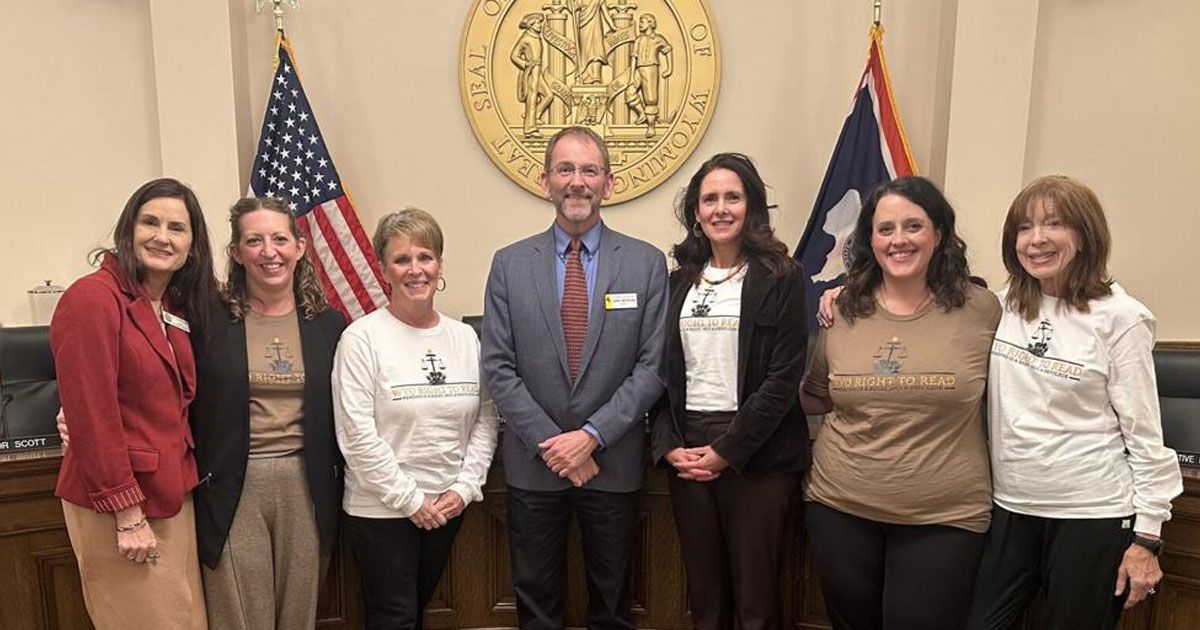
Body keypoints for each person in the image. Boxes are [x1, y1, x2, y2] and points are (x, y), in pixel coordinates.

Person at [964, 176, 1183, 629]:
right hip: (1010, 508)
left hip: (1091, 515)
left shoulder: (1121, 318)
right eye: (1024, 228)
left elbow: (1144, 435)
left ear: (1085, 235)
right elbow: (919, 303)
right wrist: (845, 293)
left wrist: (1147, 539)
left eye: (1054, 223)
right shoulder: (997, 307)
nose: (1037, 238)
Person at [481, 125, 668, 630]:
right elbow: (498, 367)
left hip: (612, 463)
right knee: (536, 604)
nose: (577, 182)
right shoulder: (509, 265)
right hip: (534, 467)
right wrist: (553, 444)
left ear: (609, 182)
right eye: (565, 169)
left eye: (590, 170)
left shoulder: (648, 265)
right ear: (546, 181)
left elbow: (652, 366)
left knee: (612, 604)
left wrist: (589, 438)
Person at [799, 176, 1001, 630]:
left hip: (944, 517)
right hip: (839, 507)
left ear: (939, 233)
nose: (899, 240)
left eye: (913, 226)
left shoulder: (984, 310)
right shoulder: (842, 309)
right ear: (869, 240)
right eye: (884, 229)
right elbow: (816, 395)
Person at [51, 177, 218, 629]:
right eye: (150, 222)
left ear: (193, 245)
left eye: (177, 228)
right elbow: (93, 415)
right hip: (121, 502)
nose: (162, 236)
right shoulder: (92, 299)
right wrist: (126, 513)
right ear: (129, 229)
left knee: (184, 621)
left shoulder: (174, 305)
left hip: (171, 493)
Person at [649, 153, 808, 629]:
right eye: (709, 198)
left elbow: (783, 378)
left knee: (755, 600)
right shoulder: (677, 282)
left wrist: (727, 450)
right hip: (688, 446)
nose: (721, 208)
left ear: (751, 206)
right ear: (695, 212)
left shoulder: (782, 276)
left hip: (756, 452)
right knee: (704, 595)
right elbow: (660, 373)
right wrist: (668, 445)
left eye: (732, 197)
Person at [333, 208, 499, 629]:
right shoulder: (361, 339)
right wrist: (411, 501)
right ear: (383, 269)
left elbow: (486, 415)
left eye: (425, 257)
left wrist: (465, 488)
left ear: (439, 264)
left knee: (415, 612)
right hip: (382, 509)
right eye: (402, 259)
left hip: (446, 505)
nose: (416, 269)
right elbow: (356, 436)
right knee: (394, 618)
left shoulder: (464, 338)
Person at [190, 197, 346, 629]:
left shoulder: (329, 325)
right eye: (254, 240)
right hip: (233, 483)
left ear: (299, 247)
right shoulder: (208, 321)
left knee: (298, 615)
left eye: (280, 238)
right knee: (240, 615)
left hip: (307, 481)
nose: (269, 251)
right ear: (238, 254)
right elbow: (169, 392)